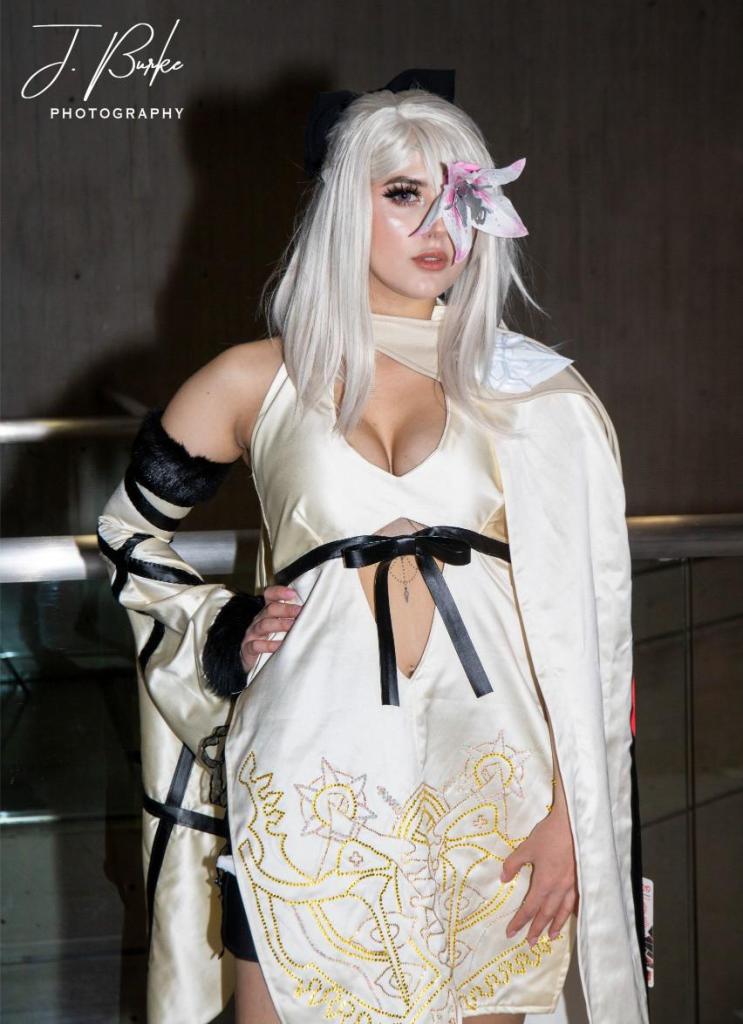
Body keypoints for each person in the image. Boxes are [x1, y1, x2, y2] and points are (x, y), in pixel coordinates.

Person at [98, 70, 649, 1024]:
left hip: (498, 784)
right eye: (403, 193)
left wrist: (573, 816)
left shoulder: (531, 392)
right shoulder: (255, 380)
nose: (441, 225)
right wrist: (220, 629)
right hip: (309, 776)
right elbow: (127, 532)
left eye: (463, 197)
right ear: (339, 205)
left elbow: (591, 630)